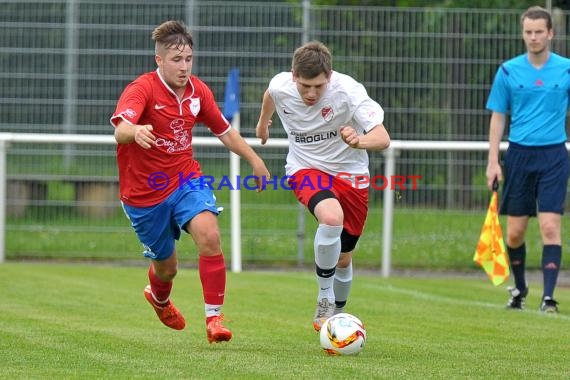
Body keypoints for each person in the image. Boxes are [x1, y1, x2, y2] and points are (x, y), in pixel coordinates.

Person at [110, 20, 270, 342]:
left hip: (185, 179)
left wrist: (255, 159)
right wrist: (136, 131)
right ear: (159, 60)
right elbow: (120, 128)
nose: (184, 67)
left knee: (209, 234)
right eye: (176, 60)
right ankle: (159, 298)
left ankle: (214, 320)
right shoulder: (142, 89)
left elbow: (225, 131)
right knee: (167, 267)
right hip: (144, 193)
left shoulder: (199, 91)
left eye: (188, 59)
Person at [255, 41, 390, 331]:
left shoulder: (349, 92)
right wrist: (263, 123)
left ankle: (337, 315)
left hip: (351, 175)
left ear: (329, 76)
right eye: (305, 86)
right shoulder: (282, 86)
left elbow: (382, 138)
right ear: (293, 76)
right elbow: (270, 95)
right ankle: (325, 297)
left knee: (343, 258)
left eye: (318, 86)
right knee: (331, 218)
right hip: (306, 168)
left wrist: (358, 140)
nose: (311, 93)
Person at [486, 6, 570, 313]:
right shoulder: (508, 70)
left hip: (554, 156)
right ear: (523, 33)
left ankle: (548, 298)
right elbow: (498, 116)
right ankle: (519, 289)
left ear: (550, 33)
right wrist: (493, 161)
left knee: (550, 227)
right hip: (519, 155)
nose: (533, 37)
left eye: (539, 31)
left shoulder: (566, 69)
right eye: (528, 32)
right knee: (515, 232)